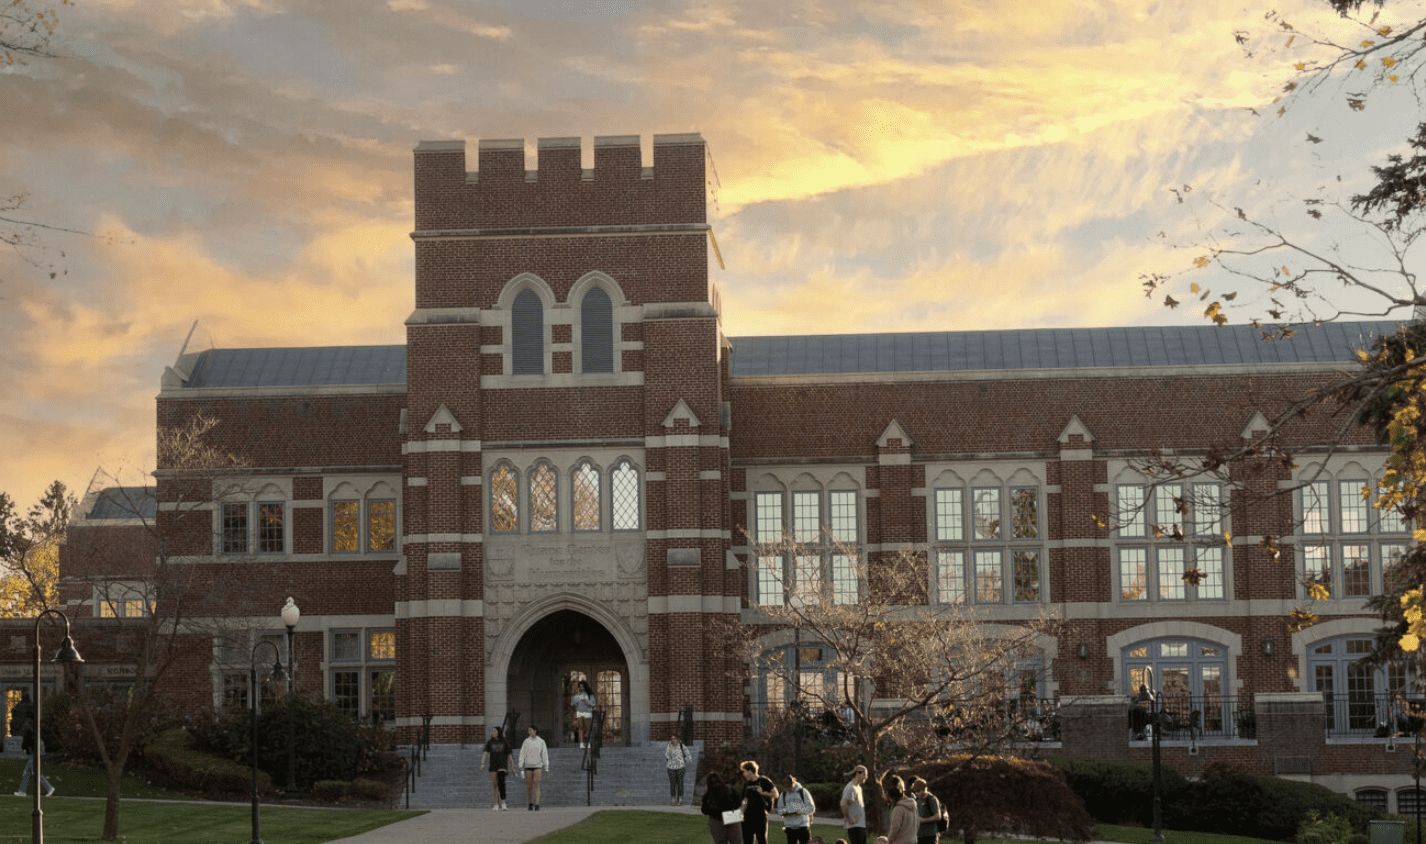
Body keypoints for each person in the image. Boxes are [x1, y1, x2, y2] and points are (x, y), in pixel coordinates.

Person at [738, 760, 779, 844]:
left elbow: (776, 794)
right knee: (747, 840)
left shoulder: (764, 781)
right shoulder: (747, 784)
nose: (743, 774)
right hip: (748, 817)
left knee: (762, 840)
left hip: (760, 816)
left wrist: (763, 792)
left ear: (750, 771)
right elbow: (745, 800)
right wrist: (741, 814)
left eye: (744, 772)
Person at [702, 771, 744, 844]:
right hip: (732, 816)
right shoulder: (730, 788)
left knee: (720, 842)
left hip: (717, 819)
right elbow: (739, 802)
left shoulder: (708, 794)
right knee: (736, 841)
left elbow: (704, 810)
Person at [775, 772, 816, 844]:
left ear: (793, 783)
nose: (788, 789)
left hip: (802, 825)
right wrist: (783, 812)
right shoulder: (783, 795)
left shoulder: (803, 792)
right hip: (790, 826)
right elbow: (779, 808)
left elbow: (811, 808)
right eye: (786, 787)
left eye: (789, 787)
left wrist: (801, 811)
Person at [517, 724, 549, 810]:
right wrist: (521, 765)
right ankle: (530, 802)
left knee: (536, 784)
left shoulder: (541, 741)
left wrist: (546, 766)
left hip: (538, 765)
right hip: (528, 765)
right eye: (528, 731)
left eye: (530, 730)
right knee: (529, 786)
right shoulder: (526, 741)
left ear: (535, 730)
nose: (529, 732)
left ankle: (537, 803)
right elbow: (522, 753)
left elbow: (544, 754)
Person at [15, 725, 52, 798]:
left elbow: (27, 747)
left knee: (35, 773)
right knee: (27, 773)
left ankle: (49, 787)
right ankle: (22, 791)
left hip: (34, 756)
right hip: (34, 756)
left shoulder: (32, 739)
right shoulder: (35, 738)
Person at [480, 726, 511, 811]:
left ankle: (503, 803)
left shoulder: (504, 741)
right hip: (493, 765)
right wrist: (482, 763)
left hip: (502, 764)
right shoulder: (490, 742)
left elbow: (509, 754)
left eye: (494, 731)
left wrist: (512, 766)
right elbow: (485, 752)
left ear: (498, 732)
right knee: (495, 784)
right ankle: (496, 804)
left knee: (501, 782)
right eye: (492, 731)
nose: (492, 732)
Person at [882, 774, 918, 844]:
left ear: (892, 797)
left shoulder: (898, 809)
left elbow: (895, 829)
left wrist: (889, 841)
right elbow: (917, 824)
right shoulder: (913, 805)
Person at [840, 765, 869, 844]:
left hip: (860, 825)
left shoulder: (858, 788)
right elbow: (843, 803)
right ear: (857, 774)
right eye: (864, 774)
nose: (866, 777)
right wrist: (848, 818)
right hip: (855, 827)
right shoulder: (851, 787)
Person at [910, 777, 943, 844]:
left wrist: (923, 820)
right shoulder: (917, 800)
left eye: (918, 791)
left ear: (923, 790)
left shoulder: (931, 799)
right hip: (919, 836)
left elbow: (938, 816)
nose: (916, 793)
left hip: (930, 835)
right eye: (915, 791)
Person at [665, 733, 693, 805]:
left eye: (674, 739)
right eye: (671, 739)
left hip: (680, 767)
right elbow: (666, 756)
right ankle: (673, 799)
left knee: (680, 783)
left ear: (678, 740)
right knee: (673, 783)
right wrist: (669, 755)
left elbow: (689, 756)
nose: (672, 740)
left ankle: (680, 799)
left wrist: (683, 760)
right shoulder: (669, 746)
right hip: (671, 767)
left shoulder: (681, 746)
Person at [572, 679, 597, 748]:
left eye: (582, 686)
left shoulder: (590, 695)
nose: (581, 688)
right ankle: (581, 743)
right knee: (580, 727)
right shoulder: (578, 694)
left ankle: (588, 743)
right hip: (580, 712)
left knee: (587, 728)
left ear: (585, 687)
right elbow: (574, 703)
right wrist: (577, 699)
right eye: (580, 687)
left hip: (587, 712)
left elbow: (593, 704)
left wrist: (586, 700)